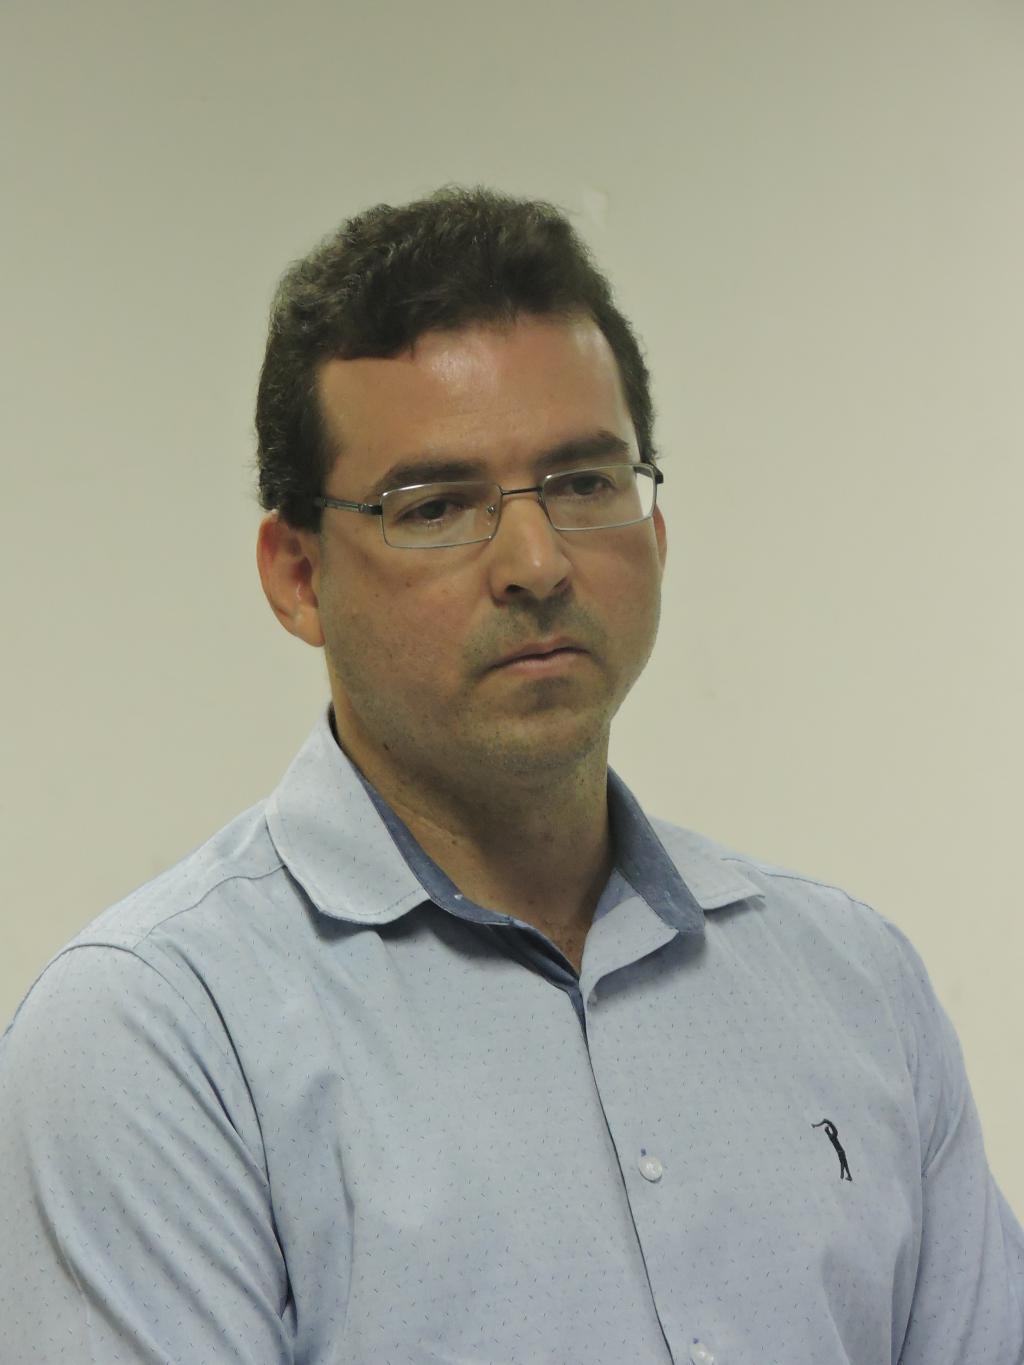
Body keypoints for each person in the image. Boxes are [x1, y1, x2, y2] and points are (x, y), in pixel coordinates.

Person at [1, 186, 1021, 1365]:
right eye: (436, 505)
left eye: (584, 484)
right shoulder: (156, 1036)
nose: (536, 562)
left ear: (655, 531)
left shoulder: (855, 985)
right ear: (296, 576)